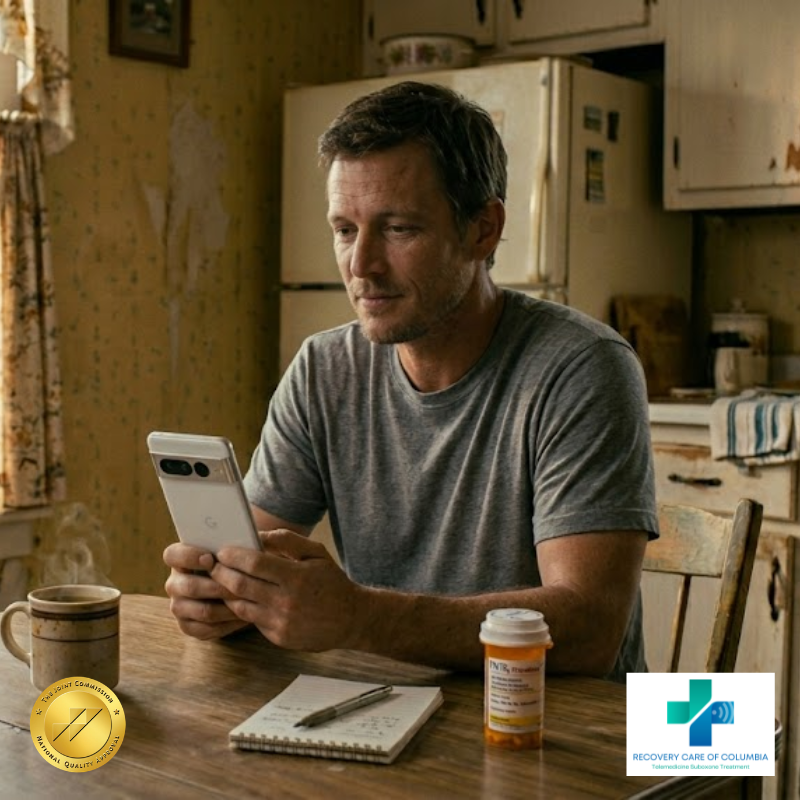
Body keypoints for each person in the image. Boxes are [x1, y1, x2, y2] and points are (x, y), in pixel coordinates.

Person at [163, 81, 657, 682]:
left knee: (745, 735)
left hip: (575, 728)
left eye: (398, 229)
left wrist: (358, 618)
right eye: (345, 229)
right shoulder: (324, 370)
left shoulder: (583, 368)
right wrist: (223, 594)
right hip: (395, 708)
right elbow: (250, 554)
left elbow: (589, 631)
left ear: (483, 230)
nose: (361, 266)